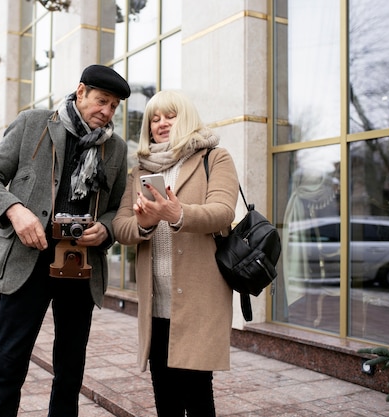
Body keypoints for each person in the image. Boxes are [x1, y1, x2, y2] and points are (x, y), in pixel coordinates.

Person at [0, 64, 130, 417]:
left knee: (70, 370)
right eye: (101, 101)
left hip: (81, 265)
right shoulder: (33, 123)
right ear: (80, 92)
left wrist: (105, 229)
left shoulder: (116, 149)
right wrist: (15, 210)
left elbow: (119, 209)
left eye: (114, 106)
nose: (106, 112)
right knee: (9, 364)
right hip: (26, 261)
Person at [112, 90, 239, 416]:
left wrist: (177, 214)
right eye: (154, 118)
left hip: (199, 298)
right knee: (165, 396)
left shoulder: (214, 157)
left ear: (186, 119)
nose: (161, 123)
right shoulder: (139, 171)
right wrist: (145, 224)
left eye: (170, 116)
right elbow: (121, 228)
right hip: (156, 303)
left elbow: (223, 212)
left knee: (197, 394)